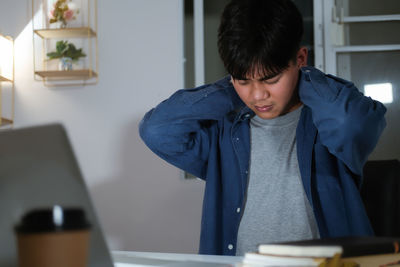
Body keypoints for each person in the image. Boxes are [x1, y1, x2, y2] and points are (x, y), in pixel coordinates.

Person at [139, 0, 386, 256]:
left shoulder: (327, 124)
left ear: (300, 58)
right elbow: (156, 129)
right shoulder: (224, 133)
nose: (257, 95)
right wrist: (232, 89)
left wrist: (305, 79)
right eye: (243, 80)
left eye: (271, 79)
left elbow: (352, 123)